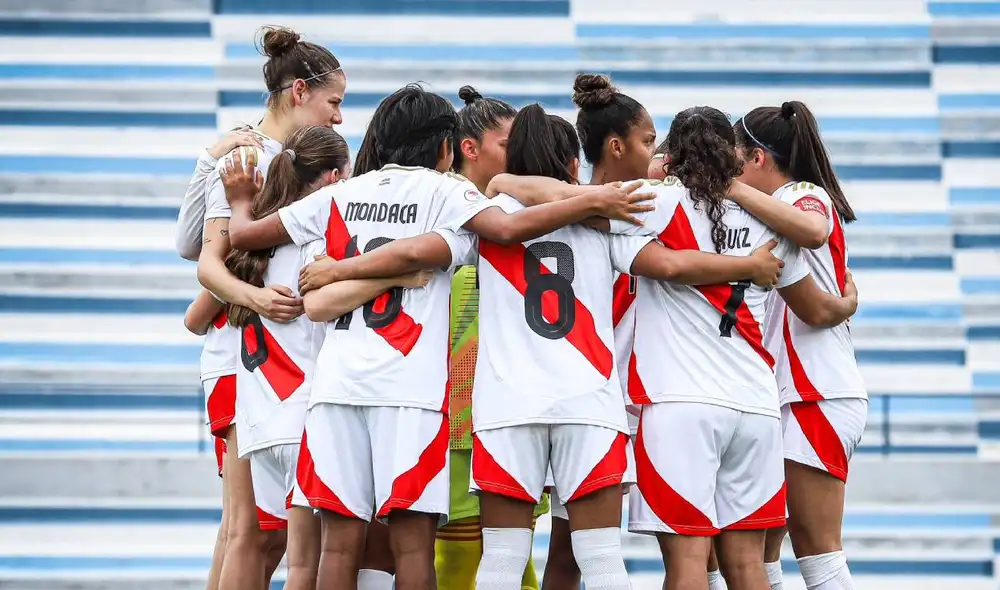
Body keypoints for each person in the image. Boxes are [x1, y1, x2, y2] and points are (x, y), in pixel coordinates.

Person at [283, 101, 786, 590]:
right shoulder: (608, 216)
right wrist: (747, 267)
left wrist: (340, 269)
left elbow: (419, 249)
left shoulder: (483, 217)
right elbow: (670, 267)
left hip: (506, 406)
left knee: (502, 560)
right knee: (602, 561)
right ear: (572, 164)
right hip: (588, 401)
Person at [219, 84, 653, 590]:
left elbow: (245, 237)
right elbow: (497, 233)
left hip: (339, 390)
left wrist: (240, 201)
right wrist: (594, 198)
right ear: (447, 148)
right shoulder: (450, 196)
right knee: (416, 549)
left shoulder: (341, 193)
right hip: (415, 394)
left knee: (338, 549)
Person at [610, 106, 857, 590]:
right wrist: (844, 301)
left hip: (680, 402)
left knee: (688, 563)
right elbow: (810, 293)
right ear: (732, 155)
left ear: (672, 153)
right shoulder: (771, 219)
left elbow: (652, 258)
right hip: (756, 406)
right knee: (749, 564)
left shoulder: (651, 203)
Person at [195, 25, 346, 590]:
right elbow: (210, 261)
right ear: (299, 91)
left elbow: (204, 291)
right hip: (244, 361)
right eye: (334, 102)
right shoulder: (252, 158)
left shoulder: (276, 160)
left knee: (257, 530)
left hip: (257, 359)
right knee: (251, 529)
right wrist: (257, 298)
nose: (338, 117)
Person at [730, 101, 865, 590]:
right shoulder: (766, 205)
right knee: (763, 549)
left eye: (736, 159)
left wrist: (729, 186)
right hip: (785, 391)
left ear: (759, 157)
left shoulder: (804, 194)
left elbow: (814, 227)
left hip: (817, 390)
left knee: (818, 548)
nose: (731, 170)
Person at [436, 86, 550, 590]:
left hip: (515, 406)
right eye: (507, 144)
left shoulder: (532, 208)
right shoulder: (441, 203)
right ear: (469, 148)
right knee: (459, 558)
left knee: (510, 555)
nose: (516, 155)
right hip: (454, 413)